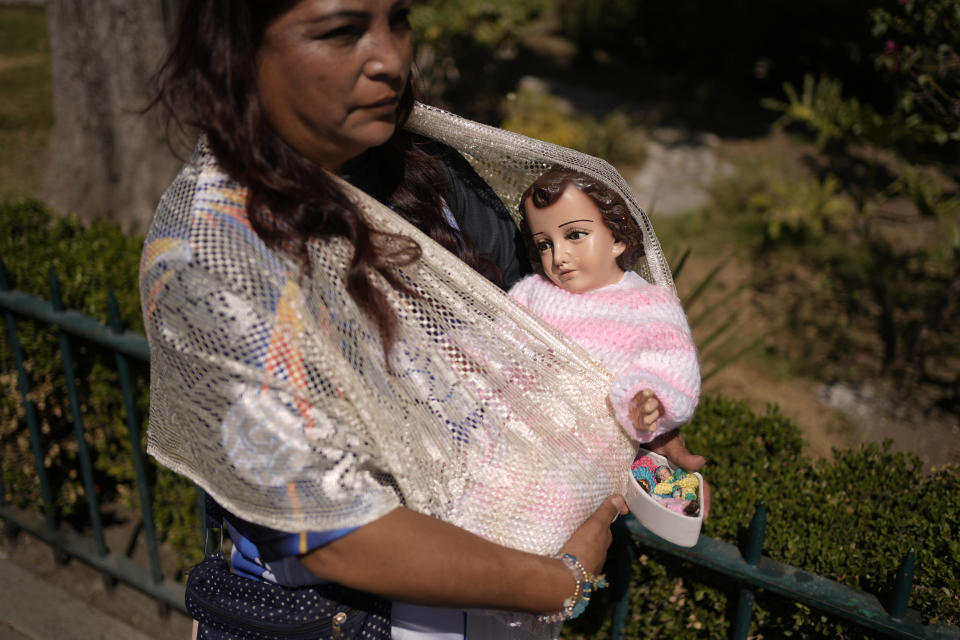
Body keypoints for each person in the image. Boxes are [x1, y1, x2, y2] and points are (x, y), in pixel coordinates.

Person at [142, 1, 709, 637]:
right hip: (353, 616)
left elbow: (563, 332)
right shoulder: (213, 253)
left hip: (492, 591)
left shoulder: (422, 167)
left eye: (399, 18)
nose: (390, 58)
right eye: (341, 31)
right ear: (236, 50)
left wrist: (643, 414)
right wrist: (560, 581)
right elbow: (334, 533)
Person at [508, 167, 701, 443]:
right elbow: (497, 341)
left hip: (592, 446)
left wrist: (648, 402)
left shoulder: (650, 306)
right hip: (515, 427)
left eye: (575, 235)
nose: (559, 256)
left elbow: (674, 372)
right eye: (544, 244)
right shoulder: (533, 291)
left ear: (618, 238)